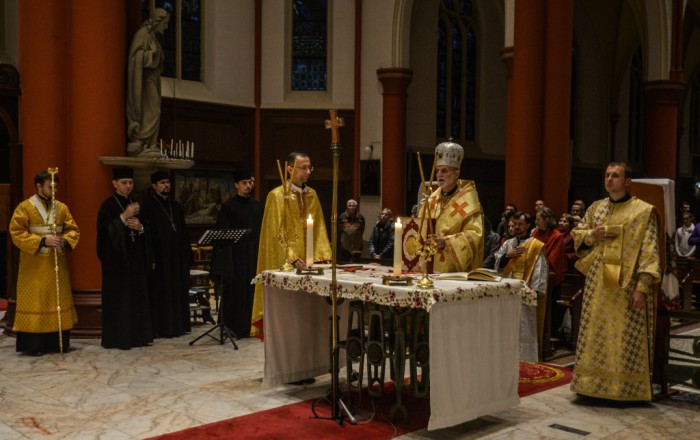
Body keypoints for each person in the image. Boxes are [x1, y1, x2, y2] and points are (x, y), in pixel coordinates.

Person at [571, 161, 660, 401]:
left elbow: (649, 252)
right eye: (607, 175)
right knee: (594, 334)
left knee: (621, 337)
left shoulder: (643, 211)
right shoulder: (596, 208)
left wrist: (642, 288)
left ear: (627, 182)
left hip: (626, 286)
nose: (609, 179)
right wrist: (592, 234)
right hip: (597, 286)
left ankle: (621, 389)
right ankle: (590, 386)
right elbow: (578, 234)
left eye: (616, 176)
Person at [251, 152, 332, 338]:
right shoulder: (277, 196)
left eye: (309, 167)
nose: (308, 172)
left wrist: (321, 256)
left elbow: (319, 228)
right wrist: (292, 257)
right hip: (288, 265)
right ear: (289, 169)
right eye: (303, 167)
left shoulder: (312, 195)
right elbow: (274, 234)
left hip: (311, 265)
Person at [9, 171, 80, 356]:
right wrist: (42, 241)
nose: (54, 190)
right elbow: (16, 232)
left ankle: (56, 343)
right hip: (34, 264)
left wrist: (64, 241)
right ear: (39, 186)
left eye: (56, 187)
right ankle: (34, 345)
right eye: (50, 187)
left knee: (56, 298)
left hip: (57, 262)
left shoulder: (62, 208)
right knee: (37, 300)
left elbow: (73, 229)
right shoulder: (25, 207)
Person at [97, 167, 154, 349]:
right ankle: (119, 338)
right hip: (117, 265)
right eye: (124, 183)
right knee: (121, 301)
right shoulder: (107, 206)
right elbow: (104, 234)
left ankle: (139, 336)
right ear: (114, 184)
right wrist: (123, 218)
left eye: (130, 182)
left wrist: (142, 228)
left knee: (137, 298)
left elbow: (148, 230)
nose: (128, 186)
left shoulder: (136, 204)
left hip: (136, 262)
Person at [211, 169, 263, 338]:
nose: (248, 186)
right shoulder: (228, 207)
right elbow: (222, 236)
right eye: (244, 183)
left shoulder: (257, 206)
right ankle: (235, 327)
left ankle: (254, 325)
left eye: (250, 183)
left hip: (254, 256)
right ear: (236, 185)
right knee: (237, 293)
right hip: (236, 259)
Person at [142, 171, 192, 338]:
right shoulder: (147, 206)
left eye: (168, 182)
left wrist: (187, 256)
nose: (166, 185)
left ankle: (178, 326)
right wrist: (151, 258)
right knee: (161, 291)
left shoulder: (176, 206)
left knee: (177, 290)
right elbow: (146, 234)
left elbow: (184, 232)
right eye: (162, 183)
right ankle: (161, 328)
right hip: (160, 258)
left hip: (177, 257)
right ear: (154, 186)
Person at [494, 211, 548, 361]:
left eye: (520, 224)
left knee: (524, 329)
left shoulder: (535, 246)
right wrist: (507, 256)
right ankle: (505, 359)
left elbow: (540, 268)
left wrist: (535, 291)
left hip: (525, 294)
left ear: (528, 225)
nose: (516, 227)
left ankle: (526, 360)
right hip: (506, 293)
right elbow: (497, 263)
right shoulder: (508, 243)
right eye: (514, 224)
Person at [423, 140, 484, 272]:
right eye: (438, 170)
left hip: (455, 270)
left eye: (444, 171)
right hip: (430, 265)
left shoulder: (468, 201)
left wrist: (446, 242)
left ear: (456, 174)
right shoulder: (431, 199)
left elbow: (475, 235)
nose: (439, 175)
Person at [127, 8, 170, 156]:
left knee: (155, 109)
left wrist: (157, 55)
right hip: (144, 81)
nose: (166, 27)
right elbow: (135, 58)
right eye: (165, 23)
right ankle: (141, 138)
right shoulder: (143, 34)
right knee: (153, 110)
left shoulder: (153, 37)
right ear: (158, 21)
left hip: (153, 78)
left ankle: (150, 143)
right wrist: (153, 55)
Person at [532, 207, 567, 339]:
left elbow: (553, 259)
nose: (536, 222)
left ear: (546, 220)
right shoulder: (536, 233)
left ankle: (548, 335)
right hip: (535, 275)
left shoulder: (557, 236)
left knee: (550, 309)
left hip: (550, 280)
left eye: (538, 219)